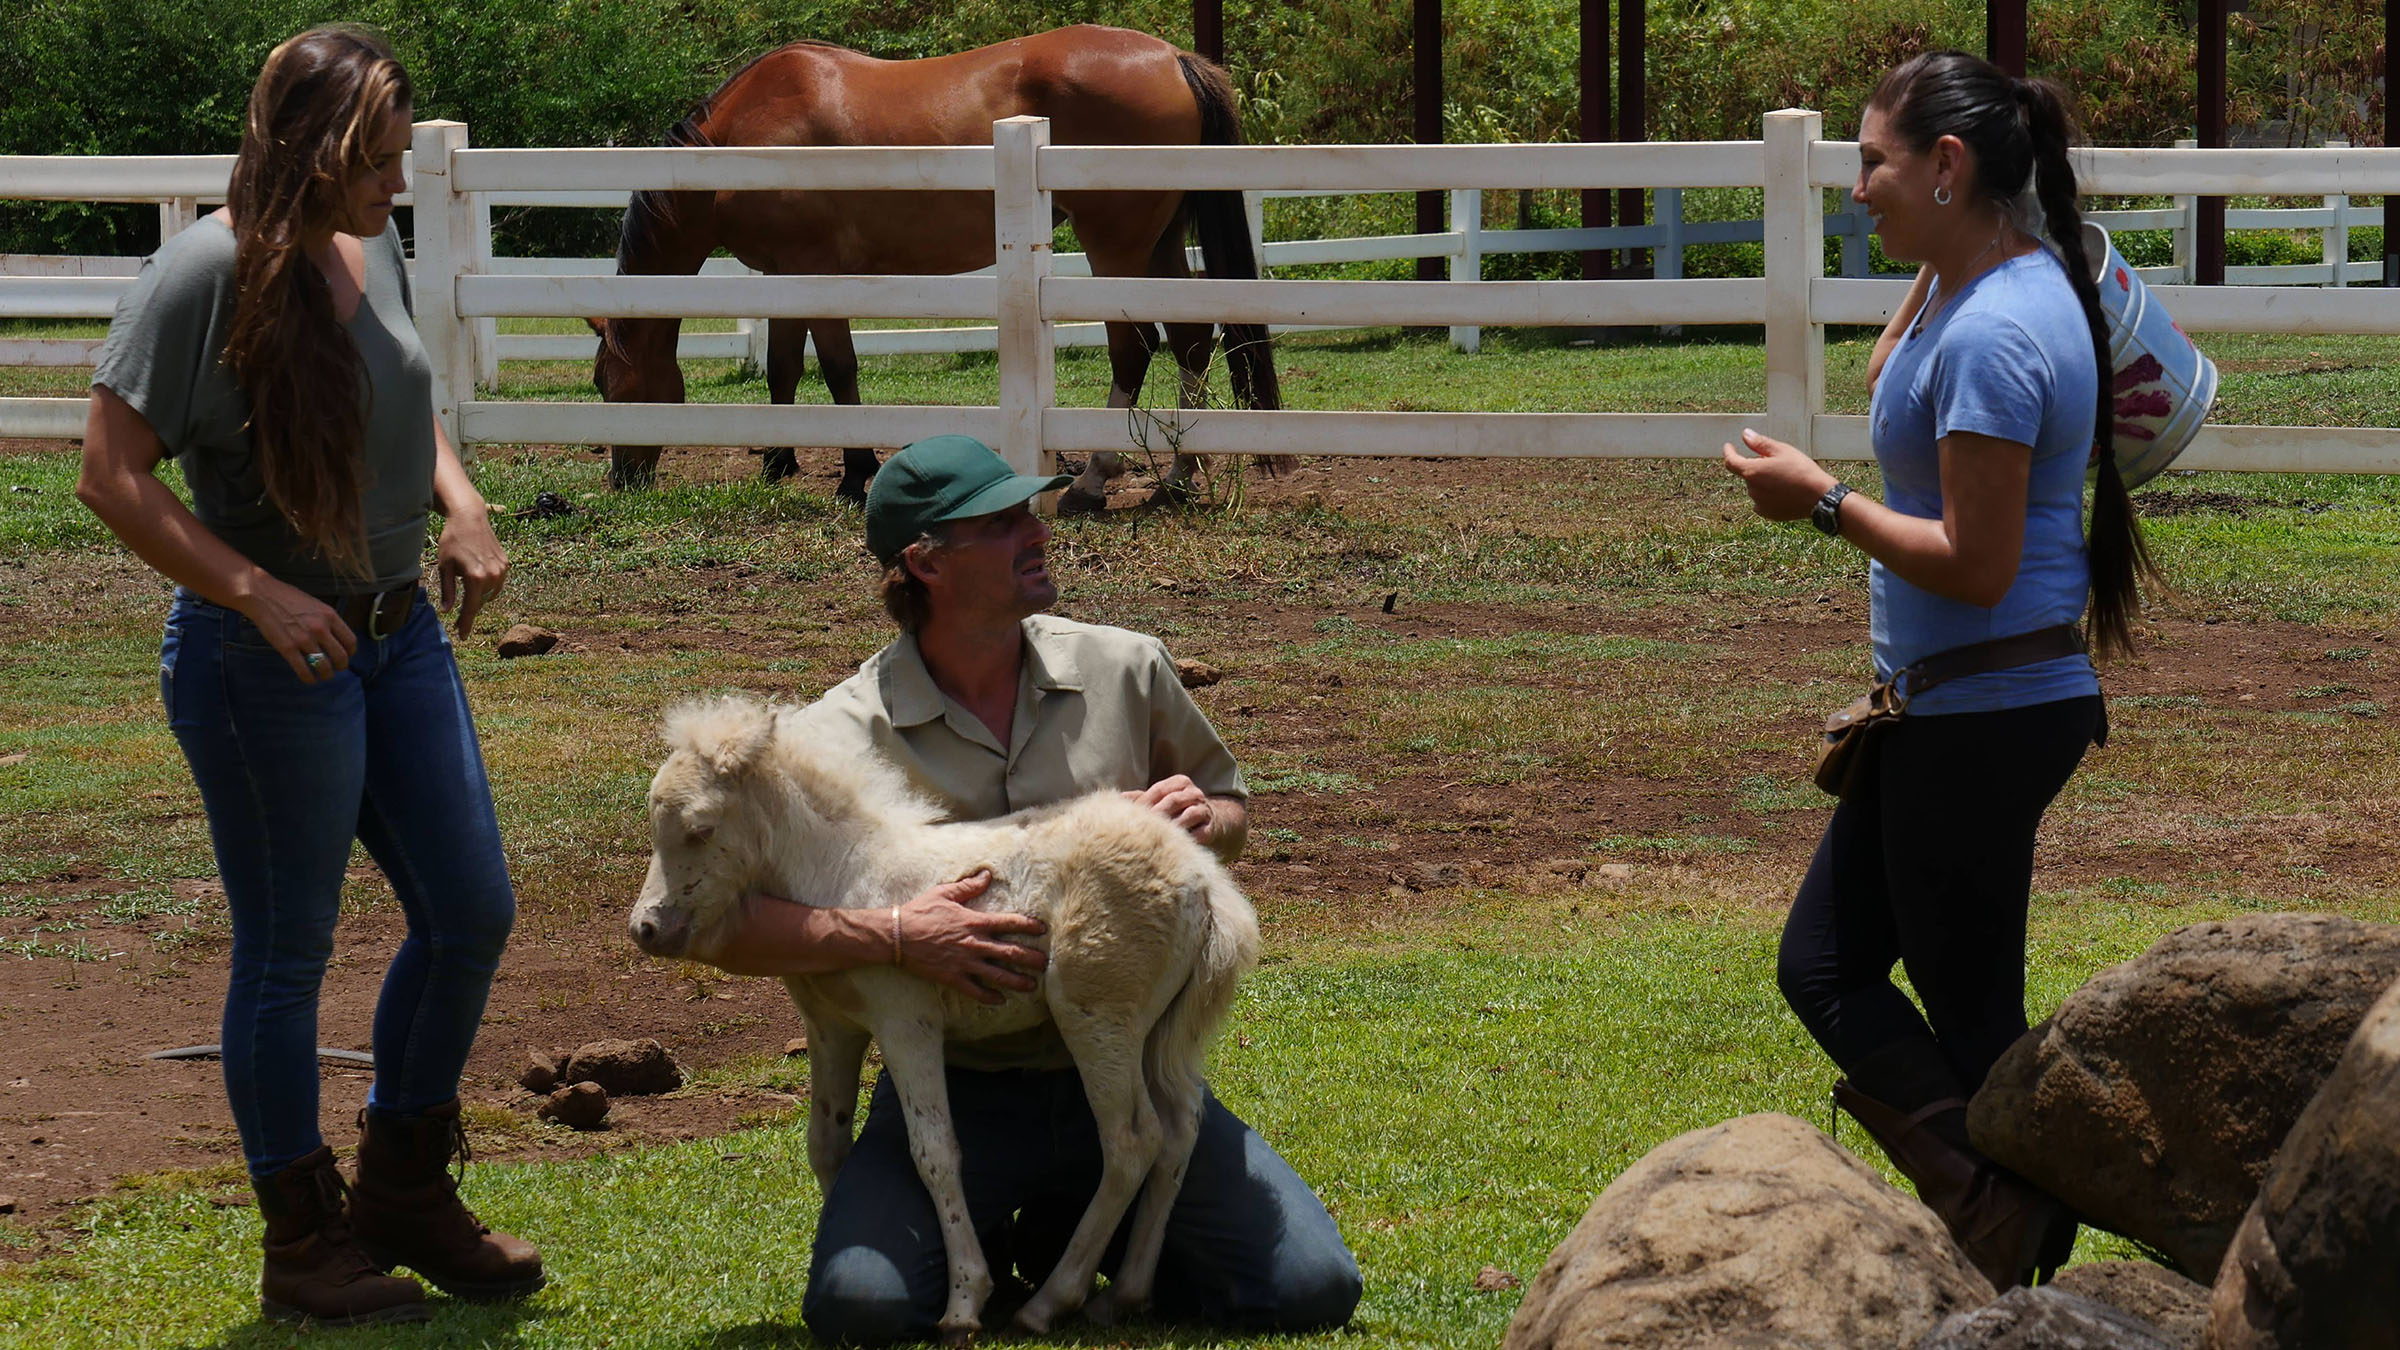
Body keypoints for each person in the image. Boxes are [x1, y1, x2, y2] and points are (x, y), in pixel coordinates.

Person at [75, 27, 541, 1327]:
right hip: (264, 658)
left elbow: (404, 398)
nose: (396, 183)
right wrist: (257, 591)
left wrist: (461, 501)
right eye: (377, 160)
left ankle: (403, 1190)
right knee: (289, 953)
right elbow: (110, 474)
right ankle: (302, 1239)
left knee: (470, 910)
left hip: (399, 634)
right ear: (317, 151)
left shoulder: (368, 241)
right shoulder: (203, 272)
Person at [702, 435, 1361, 1344]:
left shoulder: (1126, 667)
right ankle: (1047, 1223)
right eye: (1004, 522)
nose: (1038, 531)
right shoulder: (834, 738)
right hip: (952, 1082)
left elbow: (1230, 807)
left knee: (1310, 1289)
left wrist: (1204, 819)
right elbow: (729, 922)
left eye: (1031, 512)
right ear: (927, 563)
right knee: (863, 1310)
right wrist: (894, 935)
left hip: (1114, 1064)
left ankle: (1068, 1225)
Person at [1720, 50, 2156, 1289]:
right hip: (1957, 709)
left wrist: (1820, 502)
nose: (1856, 187)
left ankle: (2024, 1232)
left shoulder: (1999, 332)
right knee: (1833, 968)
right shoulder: (1987, 287)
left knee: (1967, 1025)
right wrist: (1940, 248)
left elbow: (1975, 564)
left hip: (1980, 717)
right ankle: (1999, 1218)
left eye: (1874, 163)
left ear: (1949, 166)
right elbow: (1887, 377)